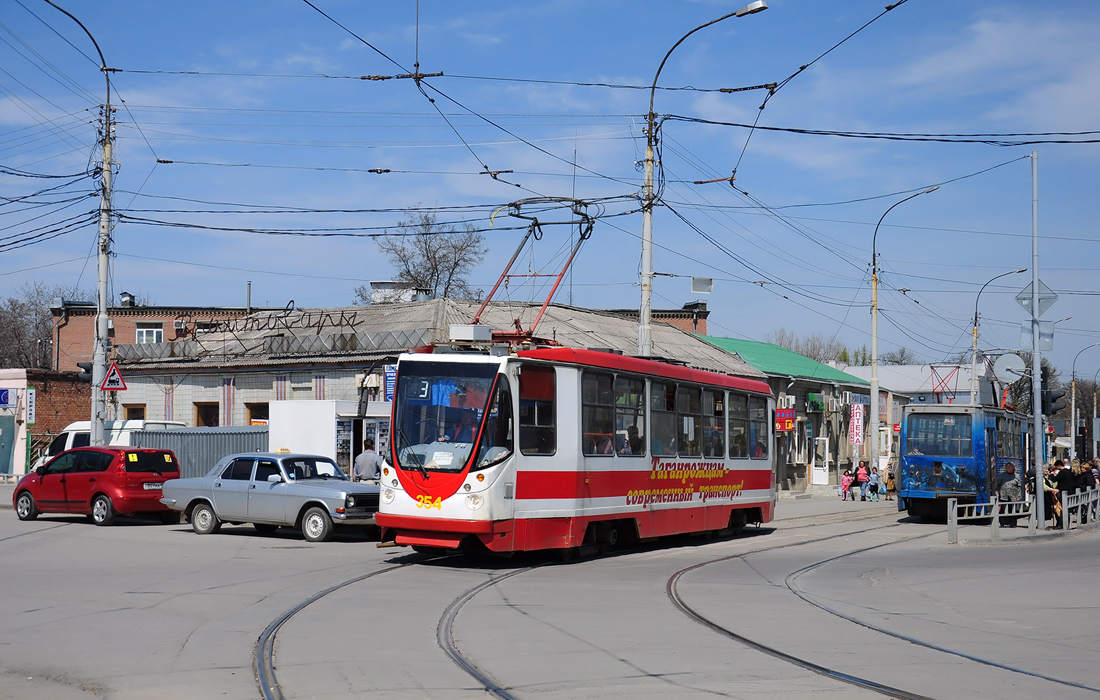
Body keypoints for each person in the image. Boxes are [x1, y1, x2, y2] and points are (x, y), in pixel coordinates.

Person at [997, 461, 1022, 527]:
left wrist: (1019, 496)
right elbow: (998, 484)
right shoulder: (1002, 475)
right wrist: (997, 492)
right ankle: (1002, 523)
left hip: (1013, 495)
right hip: (1003, 495)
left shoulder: (1017, 476)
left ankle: (1012, 523)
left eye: (1010, 466)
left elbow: (1019, 487)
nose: (1008, 468)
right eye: (1007, 467)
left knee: (1012, 509)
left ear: (1013, 468)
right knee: (1003, 509)